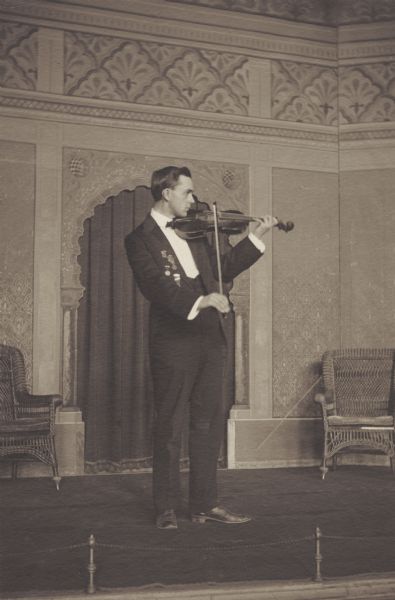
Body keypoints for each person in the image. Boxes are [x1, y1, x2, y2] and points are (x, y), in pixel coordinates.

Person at [124, 166, 277, 529]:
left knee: (207, 423)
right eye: (188, 193)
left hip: (210, 338)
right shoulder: (138, 238)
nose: (194, 201)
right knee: (170, 424)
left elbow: (224, 270)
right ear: (166, 193)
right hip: (173, 340)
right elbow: (155, 287)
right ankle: (165, 507)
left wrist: (255, 237)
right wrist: (202, 301)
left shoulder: (194, 231)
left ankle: (204, 504)